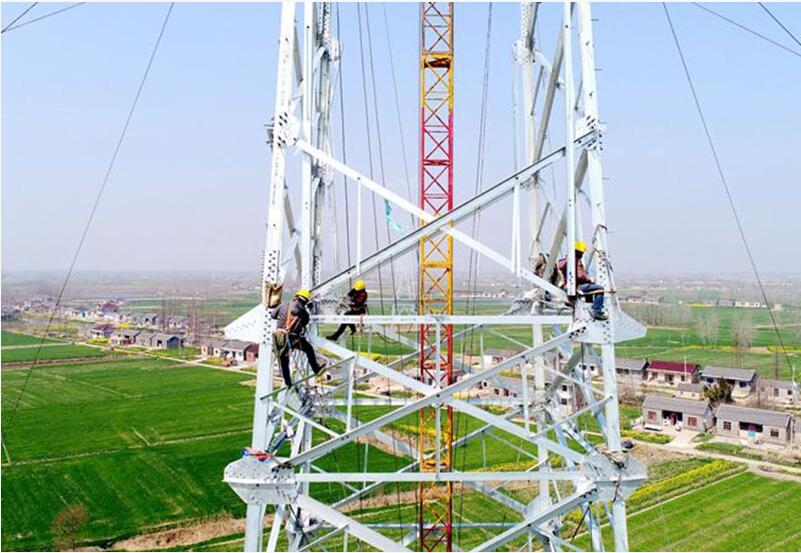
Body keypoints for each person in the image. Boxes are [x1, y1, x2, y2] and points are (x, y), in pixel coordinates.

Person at [272, 289, 326, 388]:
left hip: (280, 337)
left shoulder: (283, 305)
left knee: (284, 360)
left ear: (296, 296)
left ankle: (288, 382)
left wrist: (282, 316)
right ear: (305, 301)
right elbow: (305, 323)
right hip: (294, 339)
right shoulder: (303, 312)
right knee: (309, 350)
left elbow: (273, 315)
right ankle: (316, 369)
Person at [557, 241, 608, 320]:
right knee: (600, 289)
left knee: (590, 289)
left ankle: (590, 308)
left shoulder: (565, 261)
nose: (582, 254)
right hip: (577, 286)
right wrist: (589, 279)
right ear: (579, 252)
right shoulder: (576, 261)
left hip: (568, 286)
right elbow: (580, 275)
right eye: (582, 252)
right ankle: (596, 311)